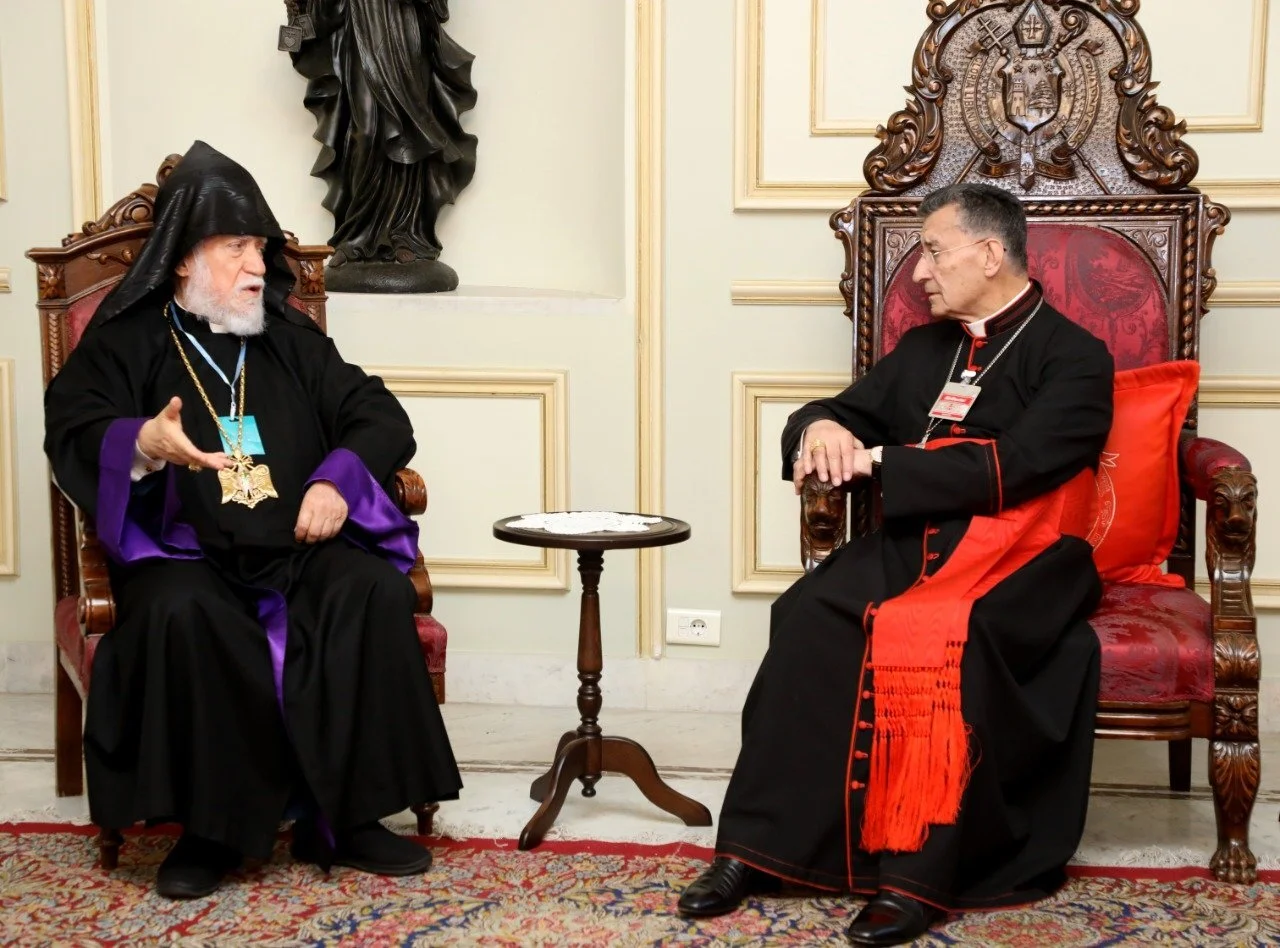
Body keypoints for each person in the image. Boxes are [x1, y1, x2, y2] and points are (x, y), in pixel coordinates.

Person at [678, 183, 1113, 946]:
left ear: (990, 252)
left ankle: (917, 878)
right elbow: (842, 411)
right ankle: (757, 849)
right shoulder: (926, 348)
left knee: (955, 637)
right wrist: (820, 429)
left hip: (1027, 554)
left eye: (935, 252)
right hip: (916, 540)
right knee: (806, 614)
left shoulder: (1075, 356)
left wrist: (880, 460)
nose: (919, 273)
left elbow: (1018, 467)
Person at [44, 141, 462, 899]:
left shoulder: (289, 339)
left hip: (296, 549)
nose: (257, 265)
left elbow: (375, 412)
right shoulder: (125, 341)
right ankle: (210, 830)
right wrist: (142, 440)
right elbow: (71, 427)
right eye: (236, 246)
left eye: (261, 248)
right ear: (180, 258)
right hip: (187, 557)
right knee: (181, 615)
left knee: (369, 590)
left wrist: (337, 480)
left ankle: (347, 818)